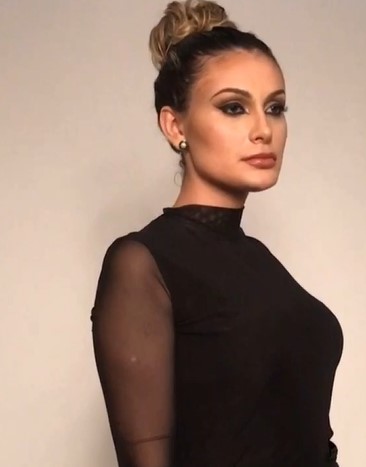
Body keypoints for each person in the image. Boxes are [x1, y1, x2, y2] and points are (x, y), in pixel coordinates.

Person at [91, 1, 344, 466]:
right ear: (175, 125)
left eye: (275, 108)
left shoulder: (259, 260)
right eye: (233, 108)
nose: (263, 130)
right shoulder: (144, 264)